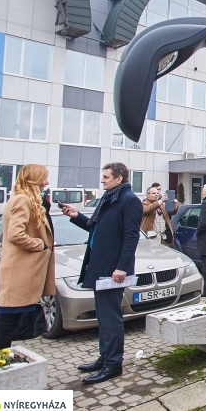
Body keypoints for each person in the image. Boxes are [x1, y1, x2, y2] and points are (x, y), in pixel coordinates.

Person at [61, 162, 142, 384]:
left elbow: (130, 237)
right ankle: (105, 357)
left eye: (106, 177)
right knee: (103, 317)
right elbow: (95, 227)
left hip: (113, 270)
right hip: (100, 266)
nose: (102, 180)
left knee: (111, 318)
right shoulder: (109, 198)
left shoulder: (129, 201)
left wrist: (122, 267)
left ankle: (113, 364)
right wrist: (76, 215)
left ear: (119, 178)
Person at [0, 165, 55, 352]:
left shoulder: (24, 200)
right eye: (43, 179)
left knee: (5, 319)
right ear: (33, 180)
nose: (46, 183)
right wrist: (40, 244)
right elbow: (15, 234)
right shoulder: (22, 200)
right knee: (7, 322)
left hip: (21, 271)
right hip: (20, 272)